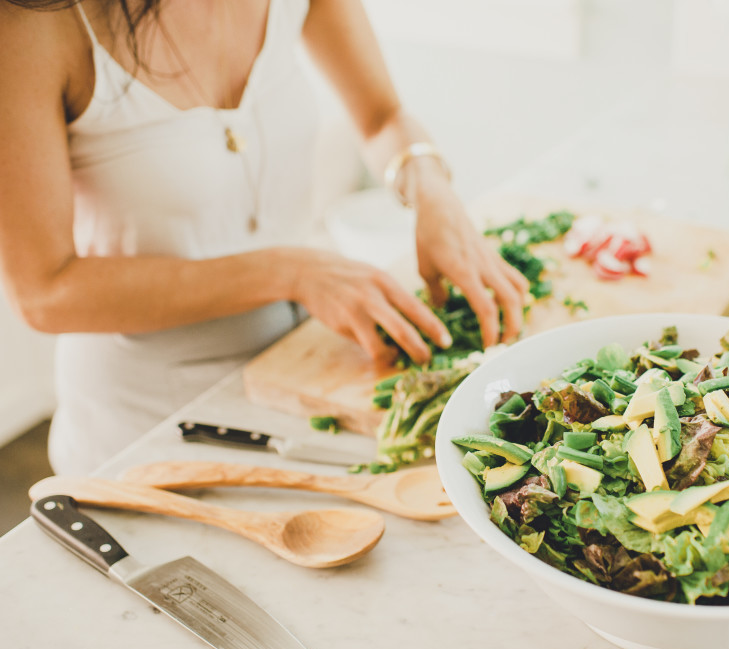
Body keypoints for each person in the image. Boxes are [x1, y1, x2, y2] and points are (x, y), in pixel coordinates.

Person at [0, 0, 529, 475]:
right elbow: (45, 293)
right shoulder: (33, 25)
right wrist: (289, 272)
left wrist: (429, 185)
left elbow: (382, 117)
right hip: (144, 424)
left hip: (304, 372)